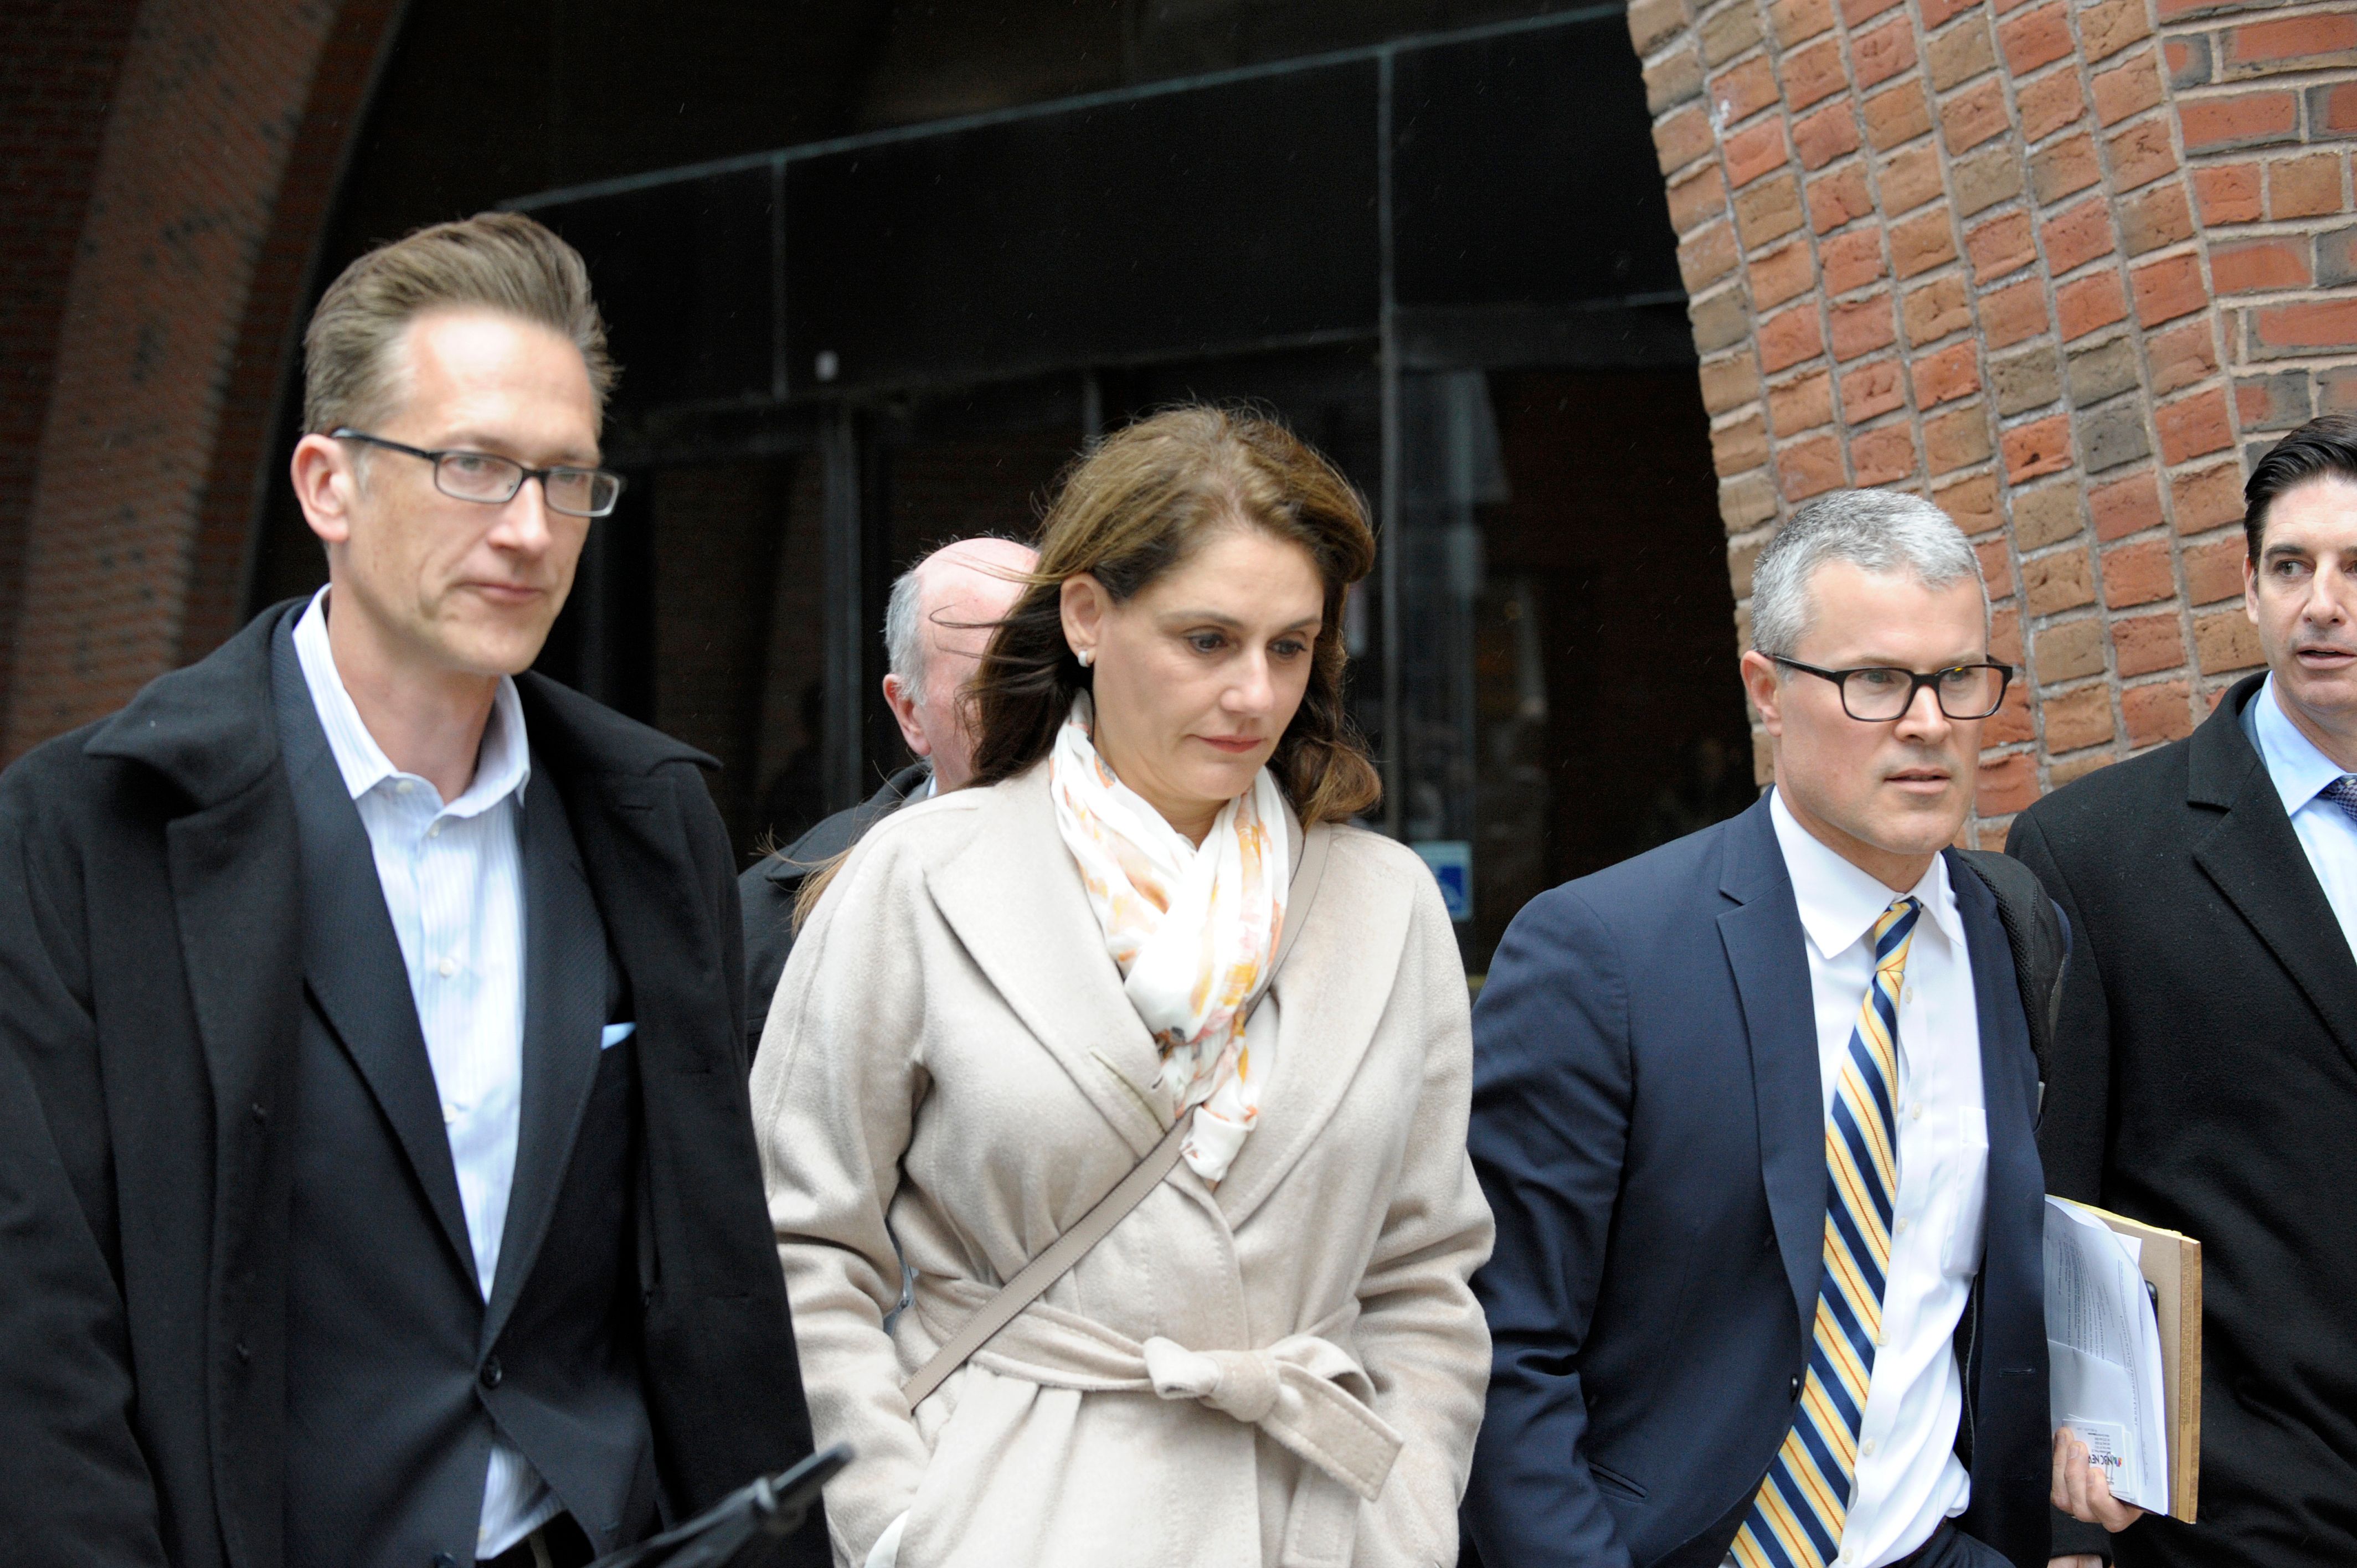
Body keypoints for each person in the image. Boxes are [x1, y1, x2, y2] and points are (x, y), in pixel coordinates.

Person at [0, 213, 823, 1568]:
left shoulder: (646, 813)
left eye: (568, 478)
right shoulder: (91, 827)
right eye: (472, 466)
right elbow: (40, 1321)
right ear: (328, 484)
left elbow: (711, 1272)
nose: (528, 529)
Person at [751, 406, 1495, 1567]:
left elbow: (1424, 1267)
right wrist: (904, 1524)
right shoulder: (921, 878)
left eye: (1289, 646)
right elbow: (798, 1243)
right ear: (1088, 616)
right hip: (1011, 1515)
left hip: (1312, 1521)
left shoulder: (1386, 903)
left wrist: (1402, 1522)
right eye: (1207, 640)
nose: (1254, 693)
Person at [1464, 489, 2067, 1568]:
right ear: (1767, 693)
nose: (1927, 722)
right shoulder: (1600, 954)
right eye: (1876, 680)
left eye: (1957, 679)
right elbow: (1503, 1348)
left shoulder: (2004, 933)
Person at [2008, 412, 2357, 1568]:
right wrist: (2063, 1518)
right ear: (2248, 590)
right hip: (2231, 1519)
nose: (2321, 603)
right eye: (2290, 566)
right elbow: (2052, 1202)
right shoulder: (2093, 851)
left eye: (2355, 569)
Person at [740, 536, 1037, 1058]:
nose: (1039, 715)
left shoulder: (1202, 869)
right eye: (993, 690)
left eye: (1055, 680)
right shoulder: (773, 926)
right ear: (910, 712)